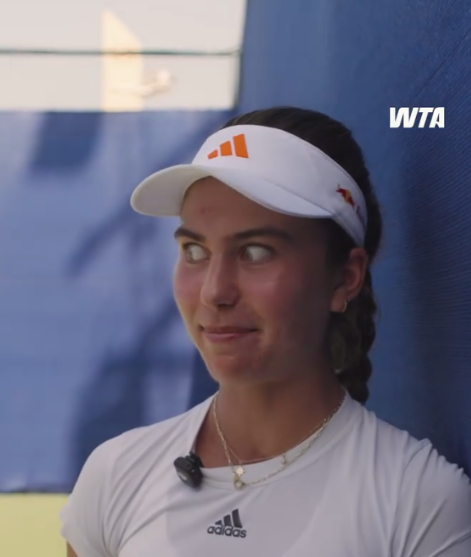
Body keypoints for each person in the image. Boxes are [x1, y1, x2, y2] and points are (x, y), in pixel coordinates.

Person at [60, 107, 471, 557]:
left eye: (255, 252)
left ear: (345, 277)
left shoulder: (419, 502)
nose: (214, 292)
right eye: (194, 250)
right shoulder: (116, 474)